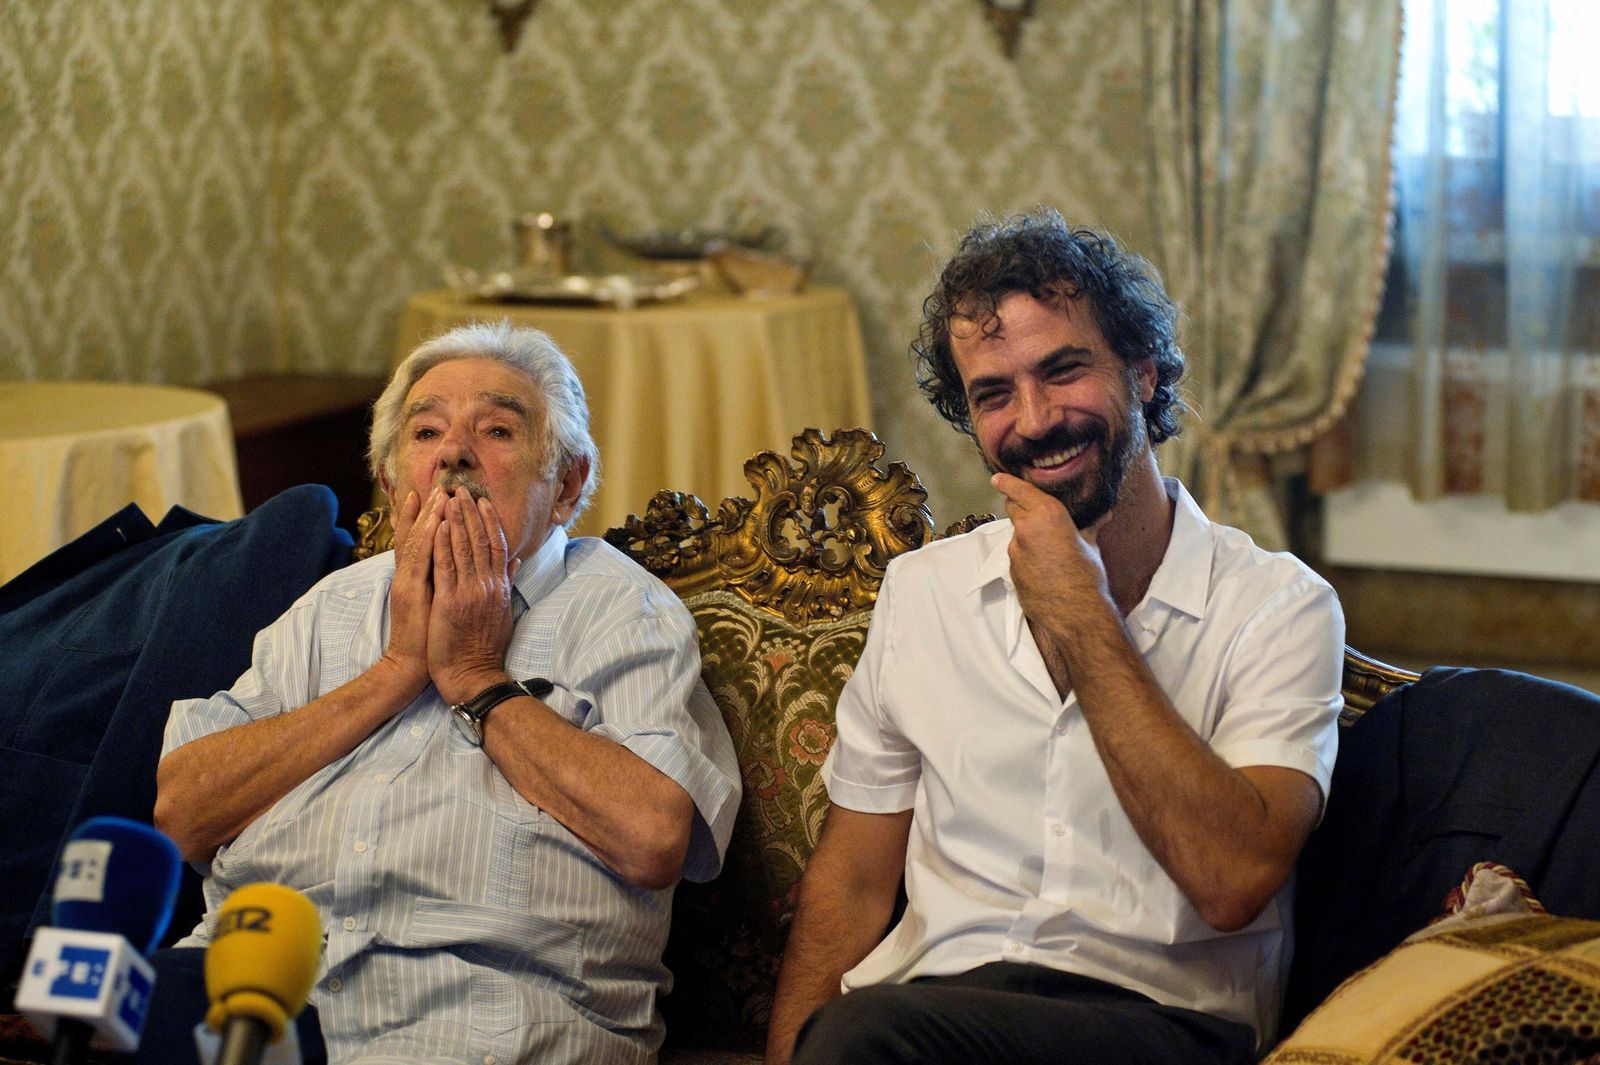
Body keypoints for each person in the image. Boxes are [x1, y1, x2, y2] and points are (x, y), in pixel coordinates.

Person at [765, 208, 1344, 1065]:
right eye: (993, 394)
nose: (1033, 421)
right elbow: (849, 888)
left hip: (1162, 1026)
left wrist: (1084, 612)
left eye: (1063, 371)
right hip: (933, 1016)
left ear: (1144, 374)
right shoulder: (923, 593)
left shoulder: (1278, 605)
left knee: (868, 1036)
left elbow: (1232, 878)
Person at [148, 321, 740, 1065]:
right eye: (426, 432)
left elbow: (655, 835)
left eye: (496, 429)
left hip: (477, 1009)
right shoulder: (331, 605)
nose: (455, 452)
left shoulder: (624, 612)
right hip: (252, 987)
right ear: (395, 484)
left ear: (566, 484)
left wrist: (477, 680)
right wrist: (394, 671)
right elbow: (180, 811)